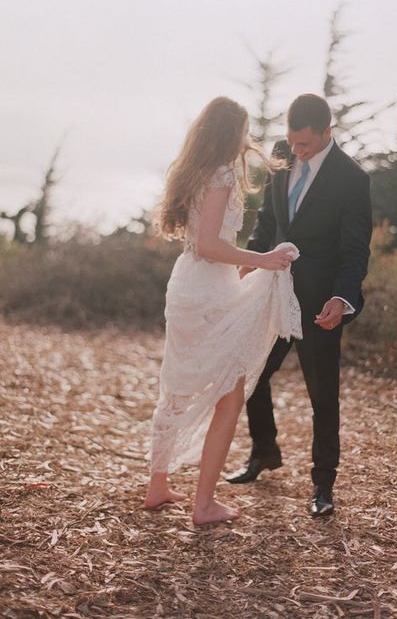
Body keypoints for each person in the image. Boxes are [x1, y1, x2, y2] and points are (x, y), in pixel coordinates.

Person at [144, 96, 302, 525]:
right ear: (233, 131)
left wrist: (249, 262)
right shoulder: (221, 174)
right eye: (244, 129)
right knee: (230, 395)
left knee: (177, 384)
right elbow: (212, 245)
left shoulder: (192, 171)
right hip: (208, 287)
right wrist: (266, 259)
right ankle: (203, 505)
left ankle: (158, 486)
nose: (247, 138)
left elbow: (202, 245)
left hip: (190, 282)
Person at [227, 94, 372, 518]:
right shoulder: (281, 154)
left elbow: (355, 249)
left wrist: (342, 299)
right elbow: (269, 224)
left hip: (319, 303)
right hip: (270, 293)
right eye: (292, 143)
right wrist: (248, 265)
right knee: (251, 373)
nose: (296, 152)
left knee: (322, 394)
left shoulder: (352, 179)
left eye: (305, 144)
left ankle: (323, 483)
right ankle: (265, 451)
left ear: (329, 131)